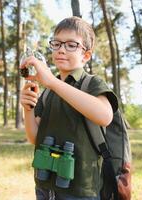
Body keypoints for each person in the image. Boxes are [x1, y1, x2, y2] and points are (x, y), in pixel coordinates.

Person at [20, 16, 118, 200]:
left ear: (86, 55)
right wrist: (28, 109)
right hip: (45, 186)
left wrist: (53, 83)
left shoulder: (91, 83)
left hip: (81, 189)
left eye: (71, 45)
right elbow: (34, 137)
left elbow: (105, 116)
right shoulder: (48, 92)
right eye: (56, 44)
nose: (61, 50)